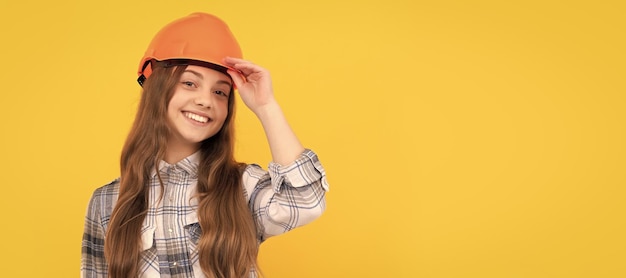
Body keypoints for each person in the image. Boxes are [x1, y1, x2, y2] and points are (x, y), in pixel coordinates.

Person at [81, 12, 329, 278]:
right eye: (189, 83)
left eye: (220, 91)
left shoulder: (241, 187)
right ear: (156, 88)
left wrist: (266, 106)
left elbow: (307, 201)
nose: (205, 100)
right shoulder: (107, 202)